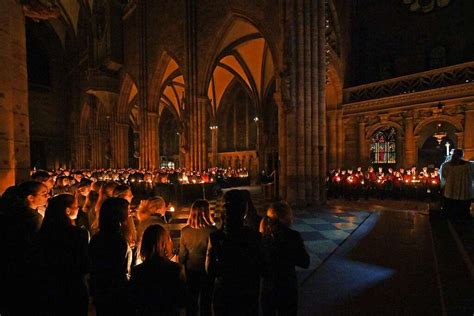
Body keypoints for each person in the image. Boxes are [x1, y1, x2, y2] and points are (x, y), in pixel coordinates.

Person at [206, 189, 262, 316]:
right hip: (248, 293)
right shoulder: (255, 237)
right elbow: (263, 267)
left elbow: (210, 270)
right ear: (244, 211)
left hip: (224, 294)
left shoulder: (215, 237)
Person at [36, 194, 89, 316]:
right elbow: (84, 263)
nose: (78, 209)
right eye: (76, 206)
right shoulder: (78, 234)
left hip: (49, 285)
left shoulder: (43, 232)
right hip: (73, 286)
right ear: (67, 210)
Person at [259, 201, 310, 316]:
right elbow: (305, 262)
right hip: (287, 286)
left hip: (268, 287)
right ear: (287, 217)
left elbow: (260, 264)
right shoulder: (293, 236)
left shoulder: (263, 236)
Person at [129, 224, 188, 316]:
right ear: (165, 243)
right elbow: (182, 300)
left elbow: (133, 301)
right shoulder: (176, 269)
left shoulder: (137, 271)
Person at [89, 198, 133, 316]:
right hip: (115, 291)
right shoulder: (116, 239)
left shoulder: (97, 237)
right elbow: (116, 268)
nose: (130, 213)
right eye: (127, 210)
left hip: (101, 290)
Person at [179, 199, 217, 316]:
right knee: (206, 300)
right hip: (207, 269)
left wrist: (181, 265)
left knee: (192, 299)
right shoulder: (213, 231)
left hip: (191, 269)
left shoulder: (185, 231)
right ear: (207, 213)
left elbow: (183, 254)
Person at [440, 148, 474, 219]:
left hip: (451, 190)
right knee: (463, 212)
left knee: (451, 210)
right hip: (464, 192)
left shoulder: (446, 166)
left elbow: (444, 176)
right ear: (462, 155)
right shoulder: (469, 165)